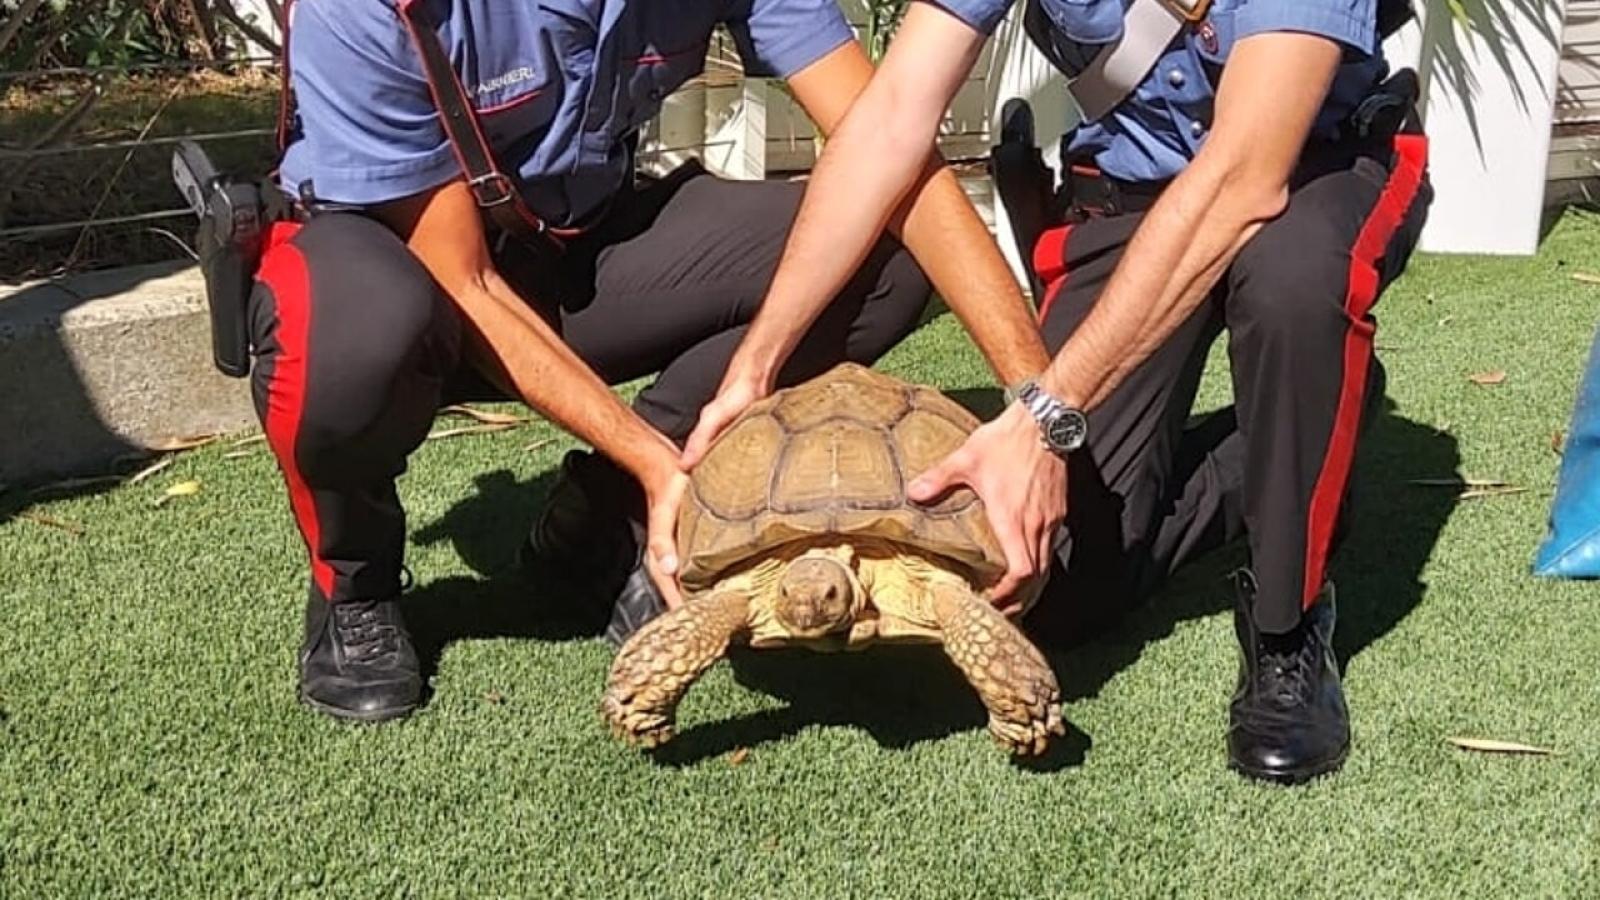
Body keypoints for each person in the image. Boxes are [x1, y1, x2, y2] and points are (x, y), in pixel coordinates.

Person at [683, 0, 1432, 784]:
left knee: (1292, 290)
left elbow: (1247, 176)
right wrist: (756, 365)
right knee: (1047, 576)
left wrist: (1044, 414)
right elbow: (890, 119)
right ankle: (1304, 429)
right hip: (1129, 194)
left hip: (1310, 169)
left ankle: (1289, 621)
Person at [256, 0, 1051, 722]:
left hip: (576, 250)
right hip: (409, 276)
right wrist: (650, 458)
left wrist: (1037, 414)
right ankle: (352, 582)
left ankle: (611, 518)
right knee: (354, 332)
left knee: (877, 247)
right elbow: (463, 280)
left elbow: (892, 143)